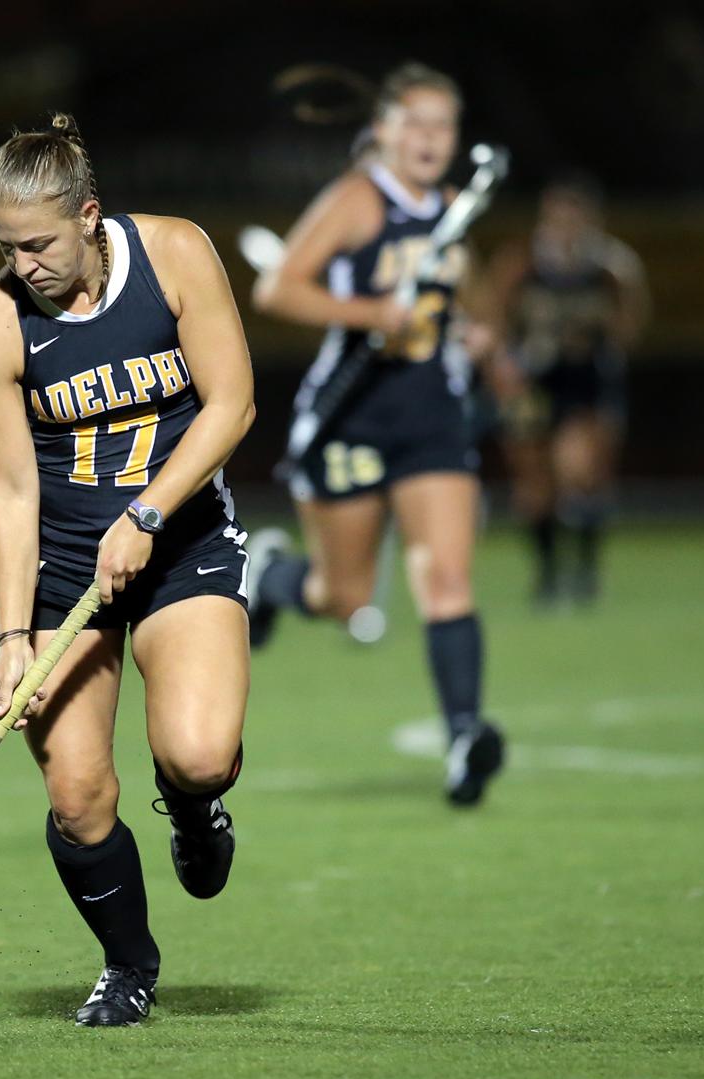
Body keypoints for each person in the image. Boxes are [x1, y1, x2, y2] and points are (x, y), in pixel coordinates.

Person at [0, 114, 257, 1026]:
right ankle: (128, 965)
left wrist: (147, 512)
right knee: (79, 792)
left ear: (90, 216)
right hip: (65, 576)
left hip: (179, 544)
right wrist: (14, 637)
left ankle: (193, 808)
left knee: (201, 754)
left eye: (40, 243)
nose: (24, 265)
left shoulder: (173, 254)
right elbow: (11, 490)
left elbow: (233, 403)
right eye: (6, 247)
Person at [244, 62, 505, 807]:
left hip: (431, 417)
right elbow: (277, 286)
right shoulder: (357, 201)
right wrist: (370, 315)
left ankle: (463, 739)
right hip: (349, 414)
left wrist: (477, 332)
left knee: (445, 578)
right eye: (414, 123)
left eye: (442, 125)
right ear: (384, 130)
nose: (429, 138)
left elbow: (473, 301)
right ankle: (272, 578)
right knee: (344, 595)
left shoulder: (454, 210)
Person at [488, 173, 649, 606]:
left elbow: (630, 327)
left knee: (582, 471)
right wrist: (506, 365)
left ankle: (586, 569)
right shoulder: (521, 263)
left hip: (586, 378)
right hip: (533, 380)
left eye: (575, 217)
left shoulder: (611, 267)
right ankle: (547, 573)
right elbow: (495, 321)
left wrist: (589, 336)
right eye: (558, 216)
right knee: (533, 483)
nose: (566, 226)